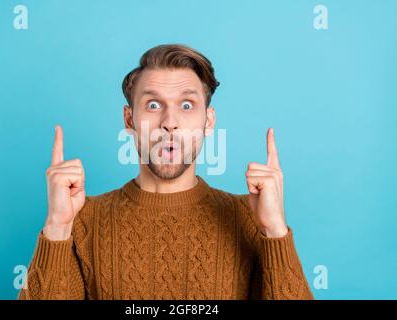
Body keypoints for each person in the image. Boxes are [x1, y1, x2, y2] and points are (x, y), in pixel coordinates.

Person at [18, 44, 314, 300]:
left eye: (186, 105)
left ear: (208, 121)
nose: (169, 121)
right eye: (153, 104)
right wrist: (57, 228)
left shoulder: (251, 218)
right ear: (129, 119)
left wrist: (276, 233)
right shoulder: (81, 221)